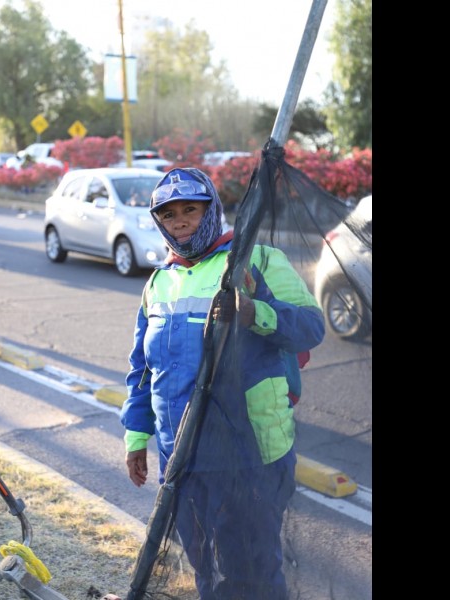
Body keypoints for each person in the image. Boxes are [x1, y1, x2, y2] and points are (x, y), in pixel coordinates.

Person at [119, 167, 325, 599]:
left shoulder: (256, 260)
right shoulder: (159, 282)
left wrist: (254, 312)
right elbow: (143, 370)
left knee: (251, 569)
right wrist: (136, 437)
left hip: (250, 456)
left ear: (211, 210)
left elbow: (310, 327)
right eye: (168, 214)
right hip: (181, 459)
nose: (179, 222)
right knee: (205, 568)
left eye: (190, 210)